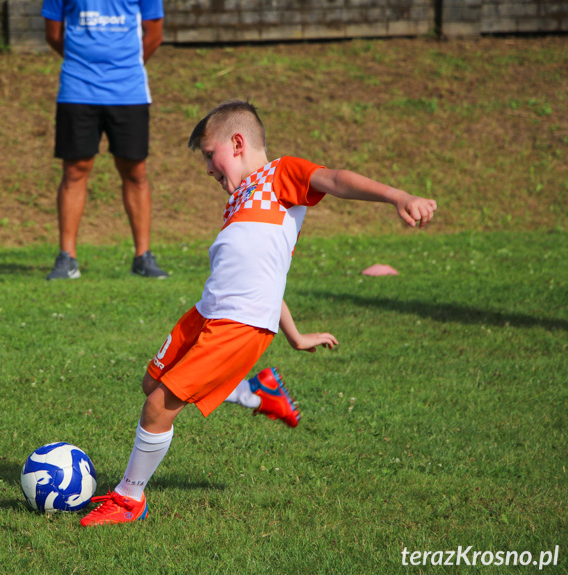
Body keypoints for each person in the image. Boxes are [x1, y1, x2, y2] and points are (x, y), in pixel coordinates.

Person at [79, 100, 437, 526]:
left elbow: (338, 180)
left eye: (211, 156)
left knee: (159, 406)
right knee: (150, 382)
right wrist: (296, 335)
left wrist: (400, 196)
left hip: (239, 324)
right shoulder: (238, 201)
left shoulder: (280, 175)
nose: (209, 169)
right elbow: (268, 278)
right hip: (206, 311)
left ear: (237, 142)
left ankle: (128, 499)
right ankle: (254, 391)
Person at [41, 0, 168, 280]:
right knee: (74, 170)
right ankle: (67, 258)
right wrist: (83, 64)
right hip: (77, 90)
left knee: (135, 171)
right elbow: (53, 34)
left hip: (129, 92)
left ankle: (143, 257)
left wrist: (123, 68)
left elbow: (154, 35)